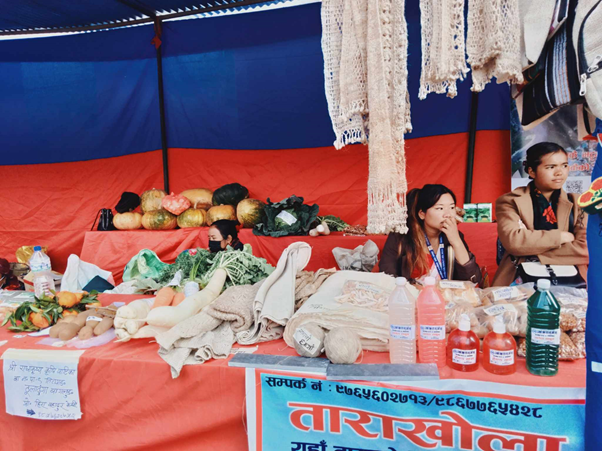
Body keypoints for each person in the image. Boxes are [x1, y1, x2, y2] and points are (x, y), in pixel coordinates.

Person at [493, 142, 589, 286]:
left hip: (573, 281)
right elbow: (514, 242)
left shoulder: (579, 203)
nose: (560, 172)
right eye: (551, 167)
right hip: (519, 278)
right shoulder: (510, 201)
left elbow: (585, 248)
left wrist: (529, 251)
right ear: (531, 171)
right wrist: (560, 237)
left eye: (564, 165)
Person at [379, 184, 482, 284]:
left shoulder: (454, 236)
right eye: (440, 208)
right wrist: (415, 287)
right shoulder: (400, 237)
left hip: (447, 295)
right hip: (412, 295)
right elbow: (387, 278)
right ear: (422, 214)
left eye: (452, 207)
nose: (448, 215)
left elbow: (473, 280)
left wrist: (456, 242)